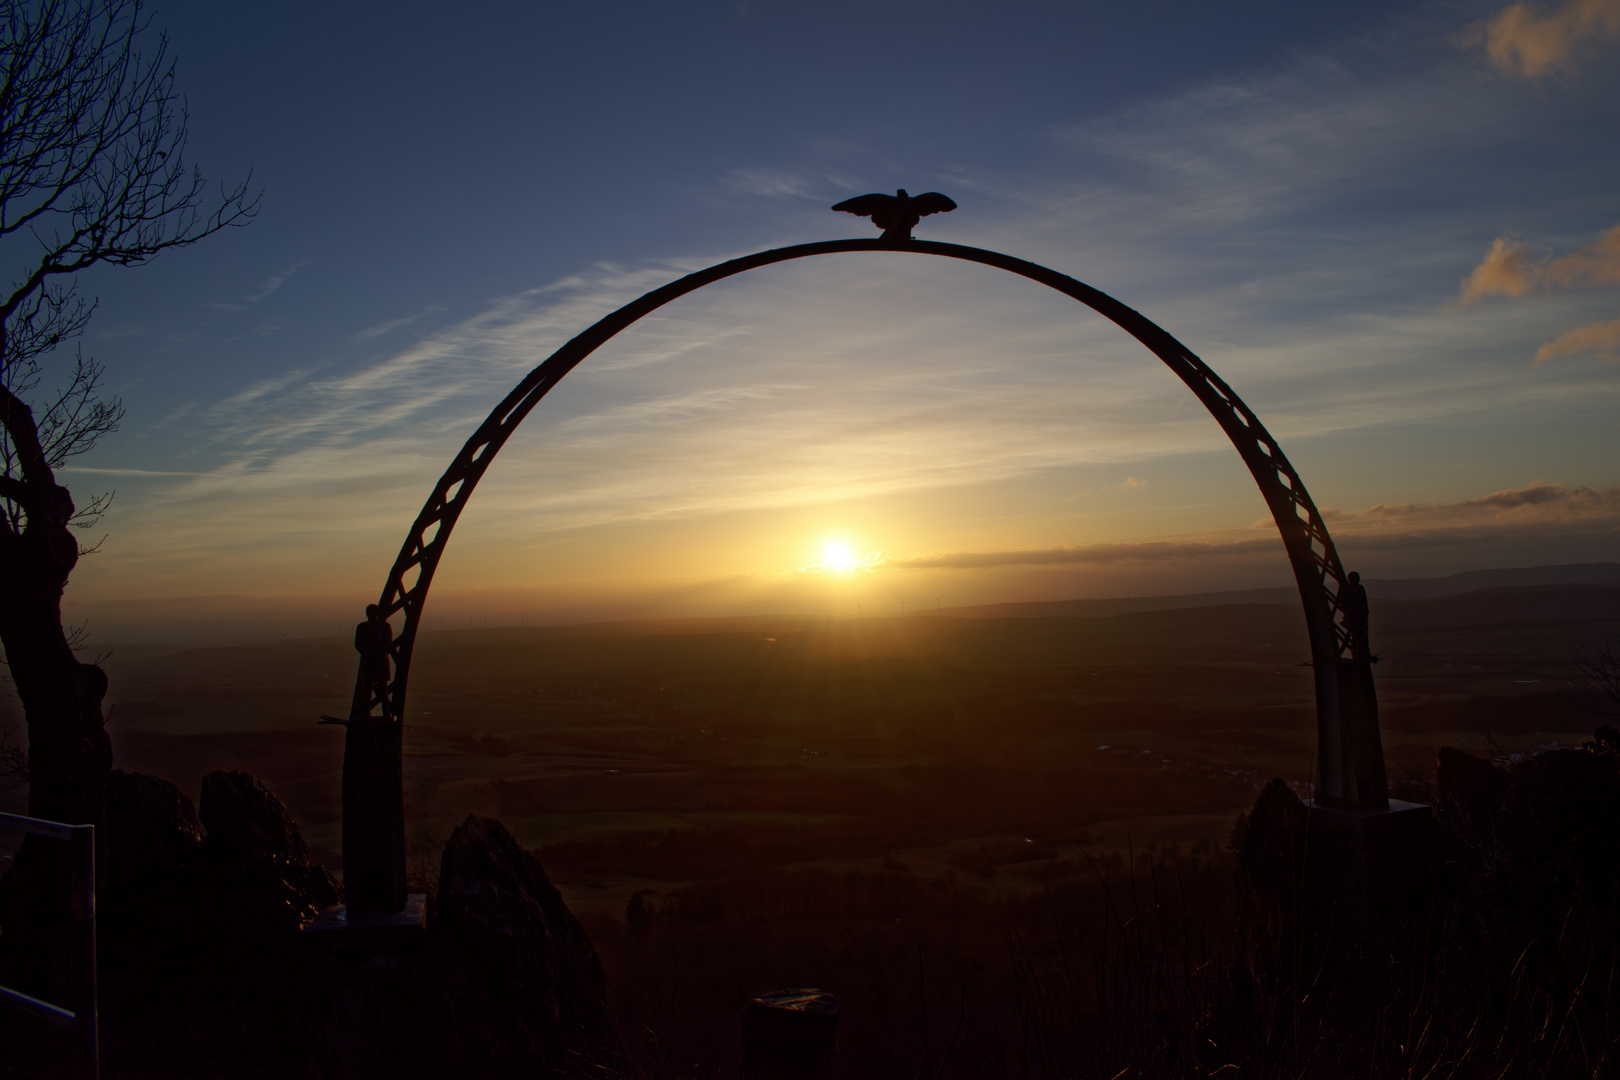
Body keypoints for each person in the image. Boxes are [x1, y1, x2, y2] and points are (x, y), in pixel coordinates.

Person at [354, 604, 394, 719]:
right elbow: (358, 644)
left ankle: (386, 711)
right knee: (367, 689)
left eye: (373, 612)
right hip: (369, 661)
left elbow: (388, 643)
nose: (371, 614)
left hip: (379, 661)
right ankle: (366, 712)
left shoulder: (384, 626)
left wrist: (374, 652)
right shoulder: (362, 627)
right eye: (370, 612)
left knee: (382, 688)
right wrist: (367, 652)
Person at [1342, 571, 1371, 660]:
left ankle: (1359, 652)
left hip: (1359, 616)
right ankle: (1357, 652)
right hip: (1357, 616)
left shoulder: (1348, 589)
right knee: (1356, 635)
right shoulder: (1355, 589)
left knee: (1358, 635)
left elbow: (1343, 603)